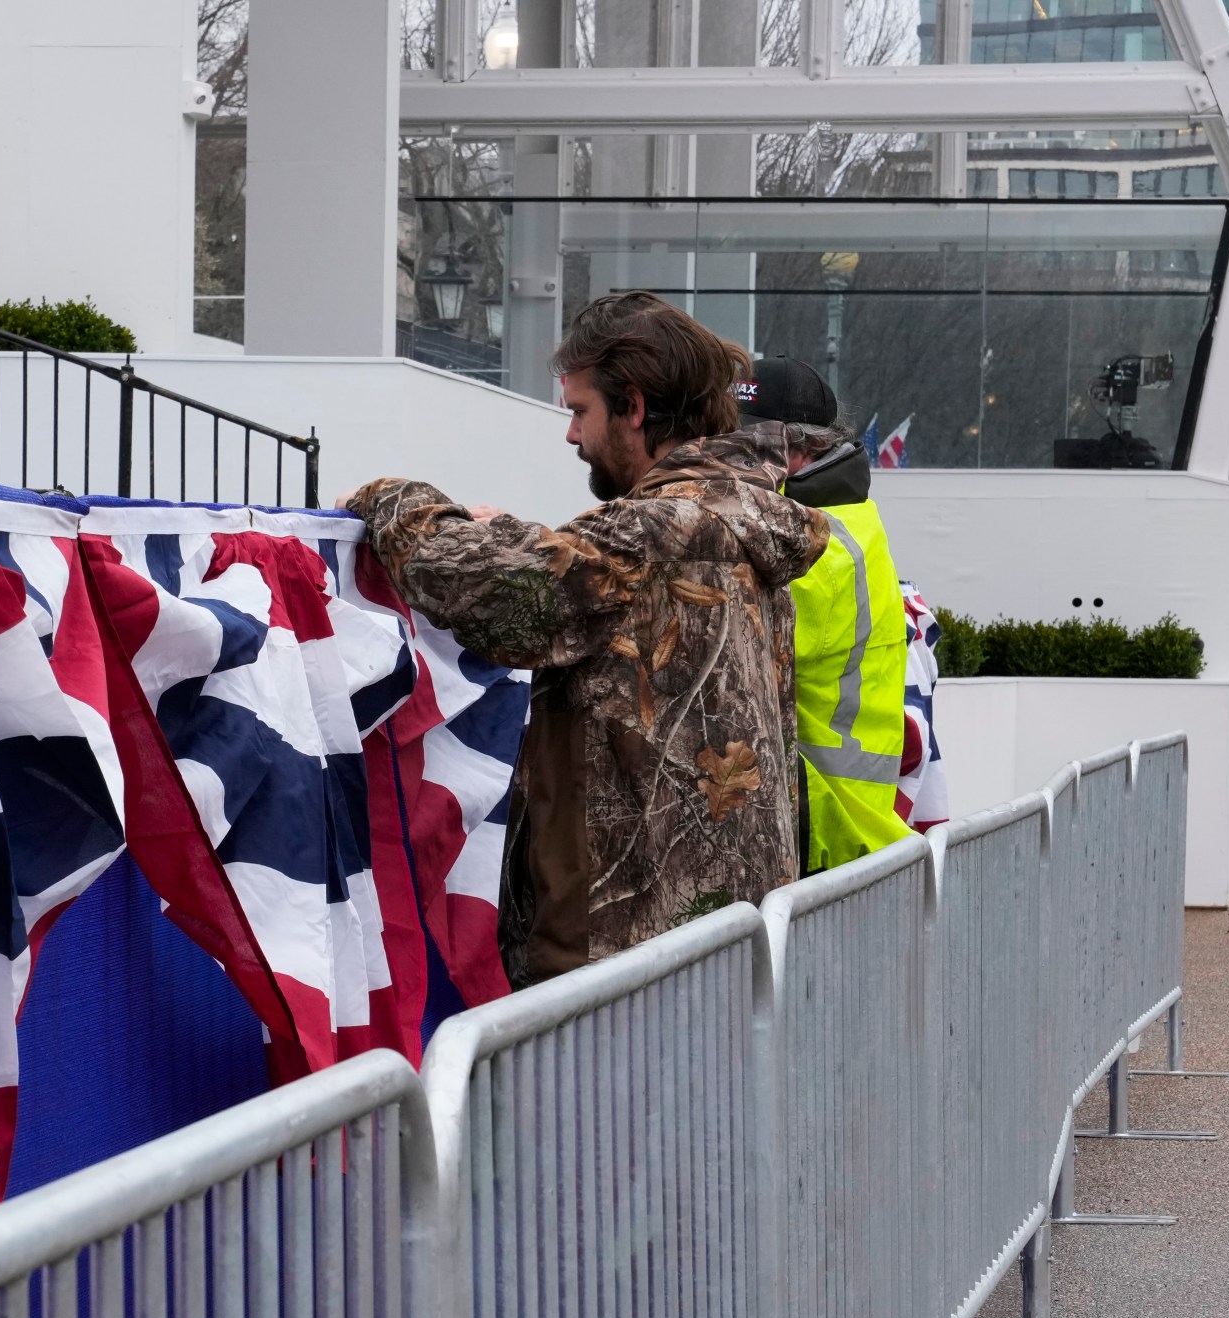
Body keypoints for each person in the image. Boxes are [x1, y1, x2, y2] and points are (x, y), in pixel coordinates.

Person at [343, 292, 830, 985]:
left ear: (634, 406)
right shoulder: (738, 519)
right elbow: (598, 584)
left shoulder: (653, 536)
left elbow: (469, 581)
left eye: (579, 411)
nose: (570, 436)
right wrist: (520, 536)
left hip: (628, 964)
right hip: (728, 944)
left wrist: (391, 498)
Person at [735, 358, 929, 869]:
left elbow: (716, 645)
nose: (728, 458)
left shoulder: (817, 548)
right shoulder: (841, 519)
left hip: (826, 834)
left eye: (747, 442)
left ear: (802, 450)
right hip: (839, 829)